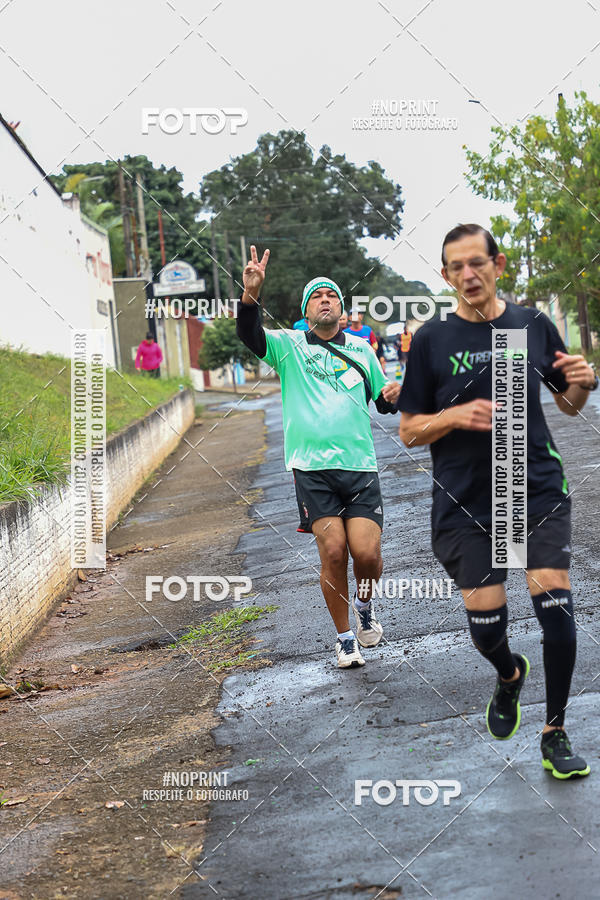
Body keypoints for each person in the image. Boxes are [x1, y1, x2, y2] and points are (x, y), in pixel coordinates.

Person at [398, 223, 597, 779]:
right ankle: (509, 676)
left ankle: (555, 730)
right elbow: (410, 430)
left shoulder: (530, 324)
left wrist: (583, 379)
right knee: (487, 627)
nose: (468, 275)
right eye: (456, 267)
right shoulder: (433, 341)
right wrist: (454, 417)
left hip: (533, 488)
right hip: (467, 502)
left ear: (498, 264)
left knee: (556, 608)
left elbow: (570, 404)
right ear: (445, 276)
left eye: (477, 263)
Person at [237, 246, 402, 668]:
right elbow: (250, 335)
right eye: (317, 296)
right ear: (306, 310)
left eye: (333, 296)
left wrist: (392, 396)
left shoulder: (364, 351)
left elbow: (382, 403)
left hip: (359, 468)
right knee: (333, 552)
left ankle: (365, 608)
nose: (326, 300)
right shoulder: (288, 346)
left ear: (342, 311)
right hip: (312, 469)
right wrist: (250, 295)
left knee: (366, 555)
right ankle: (346, 639)